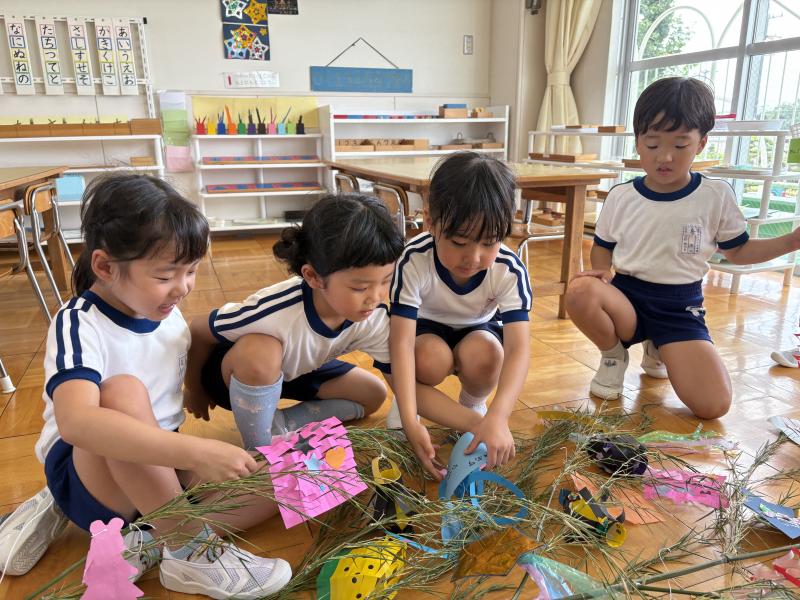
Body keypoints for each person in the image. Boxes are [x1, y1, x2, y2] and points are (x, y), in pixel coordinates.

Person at [0, 175, 291, 599]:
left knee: (296, 479)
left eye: (191, 271)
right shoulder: (79, 323)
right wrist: (197, 452)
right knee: (121, 392)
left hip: (158, 469)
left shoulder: (164, 312)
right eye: (166, 275)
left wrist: (195, 394)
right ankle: (190, 551)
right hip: (91, 475)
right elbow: (77, 422)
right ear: (105, 267)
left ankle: (149, 539)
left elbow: (179, 354)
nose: (183, 287)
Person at [565, 77, 800, 419]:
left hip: (679, 308)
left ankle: (658, 347)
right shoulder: (622, 196)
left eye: (680, 145)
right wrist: (601, 271)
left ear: (701, 143)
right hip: (627, 299)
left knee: (713, 405)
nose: (664, 156)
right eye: (652, 143)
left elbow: (739, 252)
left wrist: (791, 241)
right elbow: (602, 248)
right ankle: (613, 355)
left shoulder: (715, 195)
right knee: (580, 291)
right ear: (638, 142)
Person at [183, 194, 405, 450]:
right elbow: (199, 328)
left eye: (386, 280)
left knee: (373, 394)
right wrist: (194, 389)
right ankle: (260, 449)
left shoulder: (374, 316)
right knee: (261, 352)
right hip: (237, 375)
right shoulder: (278, 310)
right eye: (360, 287)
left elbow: (400, 378)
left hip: (298, 369)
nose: (376, 297)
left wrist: (408, 424)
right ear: (313, 276)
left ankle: (279, 425)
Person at [388, 152, 532, 479]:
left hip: (477, 330)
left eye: (489, 243)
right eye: (458, 242)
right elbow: (400, 344)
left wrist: (498, 416)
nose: (473, 257)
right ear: (430, 221)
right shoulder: (413, 260)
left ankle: (472, 407)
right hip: (425, 331)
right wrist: (409, 419)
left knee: (488, 353)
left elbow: (519, 349)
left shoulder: (508, 269)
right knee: (428, 357)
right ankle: (407, 401)